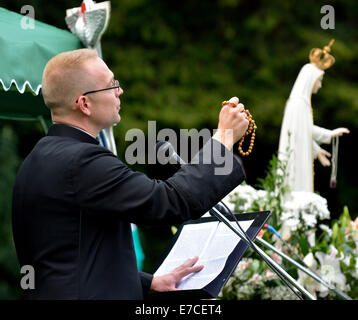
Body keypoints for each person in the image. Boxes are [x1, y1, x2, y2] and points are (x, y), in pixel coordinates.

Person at [11, 48, 249, 299]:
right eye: (110, 85)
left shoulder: (37, 159)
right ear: (84, 104)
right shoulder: (83, 161)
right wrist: (223, 138)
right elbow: (169, 202)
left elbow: (69, 260)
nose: (119, 91)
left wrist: (150, 283)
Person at [278, 40, 349, 193]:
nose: (320, 85)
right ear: (310, 80)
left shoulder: (299, 102)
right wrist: (330, 134)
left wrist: (317, 151)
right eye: (319, 81)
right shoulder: (299, 103)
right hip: (295, 159)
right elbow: (305, 130)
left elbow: (302, 133)